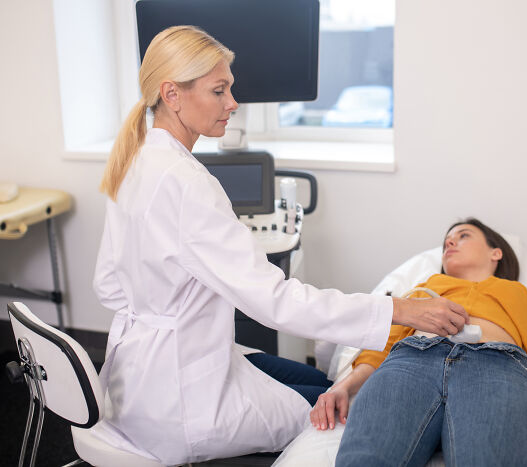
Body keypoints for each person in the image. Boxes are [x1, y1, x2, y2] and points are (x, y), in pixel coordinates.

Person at [91, 25, 468, 465]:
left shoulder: (134, 161)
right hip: (181, 406)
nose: (233, 103)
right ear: (172, 95)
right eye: (219, 91)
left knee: (316, 380)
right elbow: (275, 302)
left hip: (134, 381)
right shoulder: (187, 183)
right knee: (340, 408)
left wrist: (178, 311)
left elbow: (108, 287)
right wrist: (400, 310)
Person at [310, 218, 527, 466]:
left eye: (463, 236)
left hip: (497, 369)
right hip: (411, 362)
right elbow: (383, 346)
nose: (450, 243)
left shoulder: (523, 297)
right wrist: (343, 387)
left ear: (496, 253)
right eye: (447, 241)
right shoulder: (424, 290)